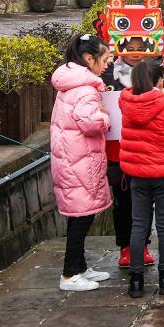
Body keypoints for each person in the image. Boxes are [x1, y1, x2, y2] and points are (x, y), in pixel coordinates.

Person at [101, 37, 164, 270]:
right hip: (119, 150)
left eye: (141, 48)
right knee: (122, 202)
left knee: (146, 205)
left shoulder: (156, 70)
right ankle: (125, 247)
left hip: (149, 152)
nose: (135, 53)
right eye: (129, 49)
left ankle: (143, 246)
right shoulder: (109, 74)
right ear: (120, 49)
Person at [118, 60, 164, 298]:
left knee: (139, 225)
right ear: (159, 81)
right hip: (162, 174)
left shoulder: (125, 102)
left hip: (137, 174)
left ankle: (136, 281)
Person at [50, 33, 113, 292]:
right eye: (105, 60)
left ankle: (80, 267)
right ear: (89, 59)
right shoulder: (86, 89)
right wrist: (106, 117)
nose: (108, 64)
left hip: (71, 159)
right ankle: (68, 275)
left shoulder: (70, 83)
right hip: (80, 162)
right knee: (81, 219)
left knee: (79, 216)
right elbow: (90, 123)